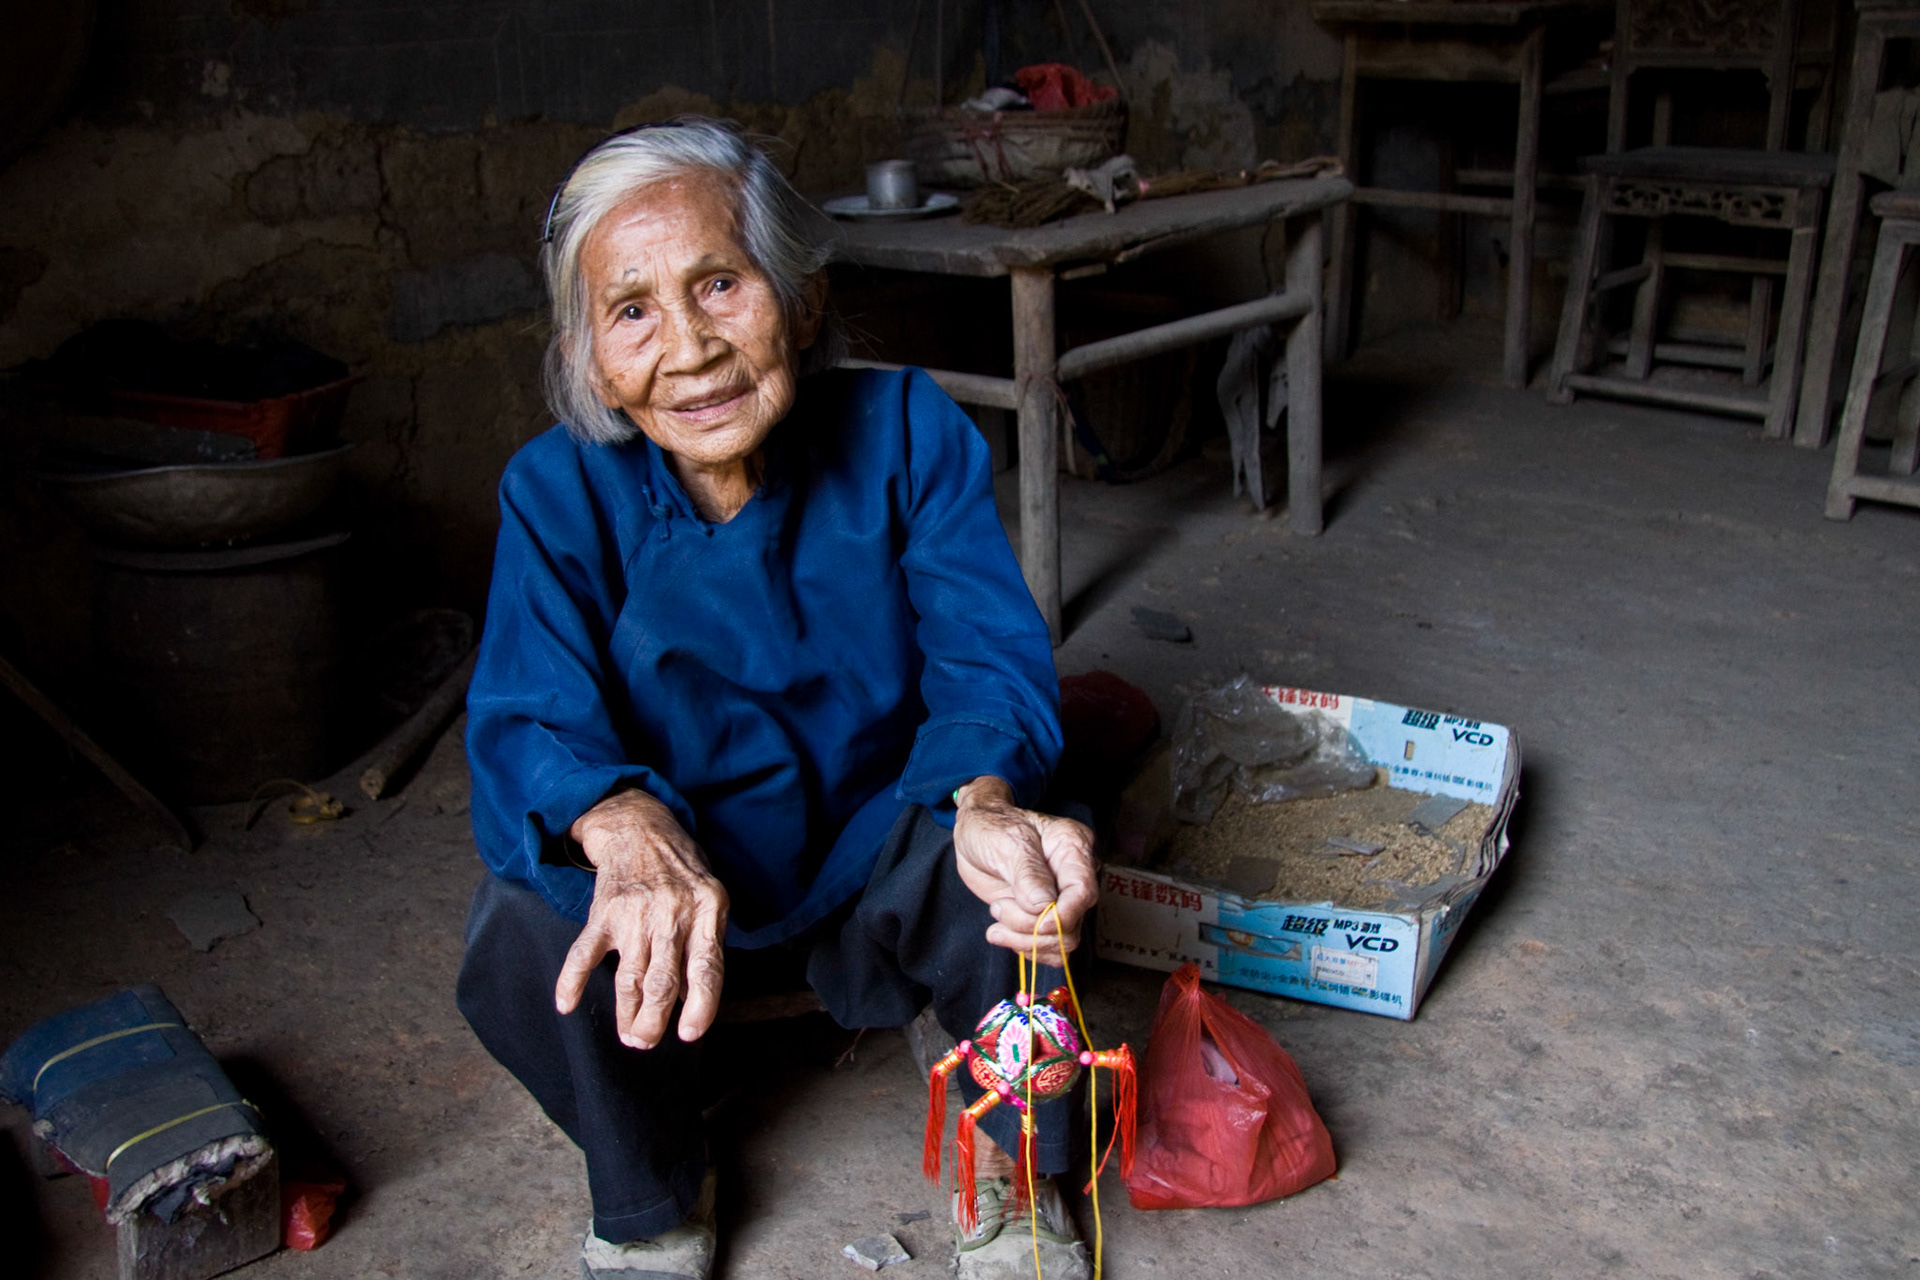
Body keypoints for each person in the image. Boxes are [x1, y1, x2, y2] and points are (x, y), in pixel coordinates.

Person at [456, 117, 1101, 1280]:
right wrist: (625, 824)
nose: (691, 346)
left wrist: (987, 796)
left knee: (1015, 877)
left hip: (871, 840)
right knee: (520, 931)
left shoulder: (907, 431)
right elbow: (529, 710)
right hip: (681, 875)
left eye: (719, 282)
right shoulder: (554, 491)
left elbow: (987, 653)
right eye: (634, 309)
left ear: (798, 300)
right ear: (591, 355)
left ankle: (1011, 1166)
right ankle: (654, 1186)